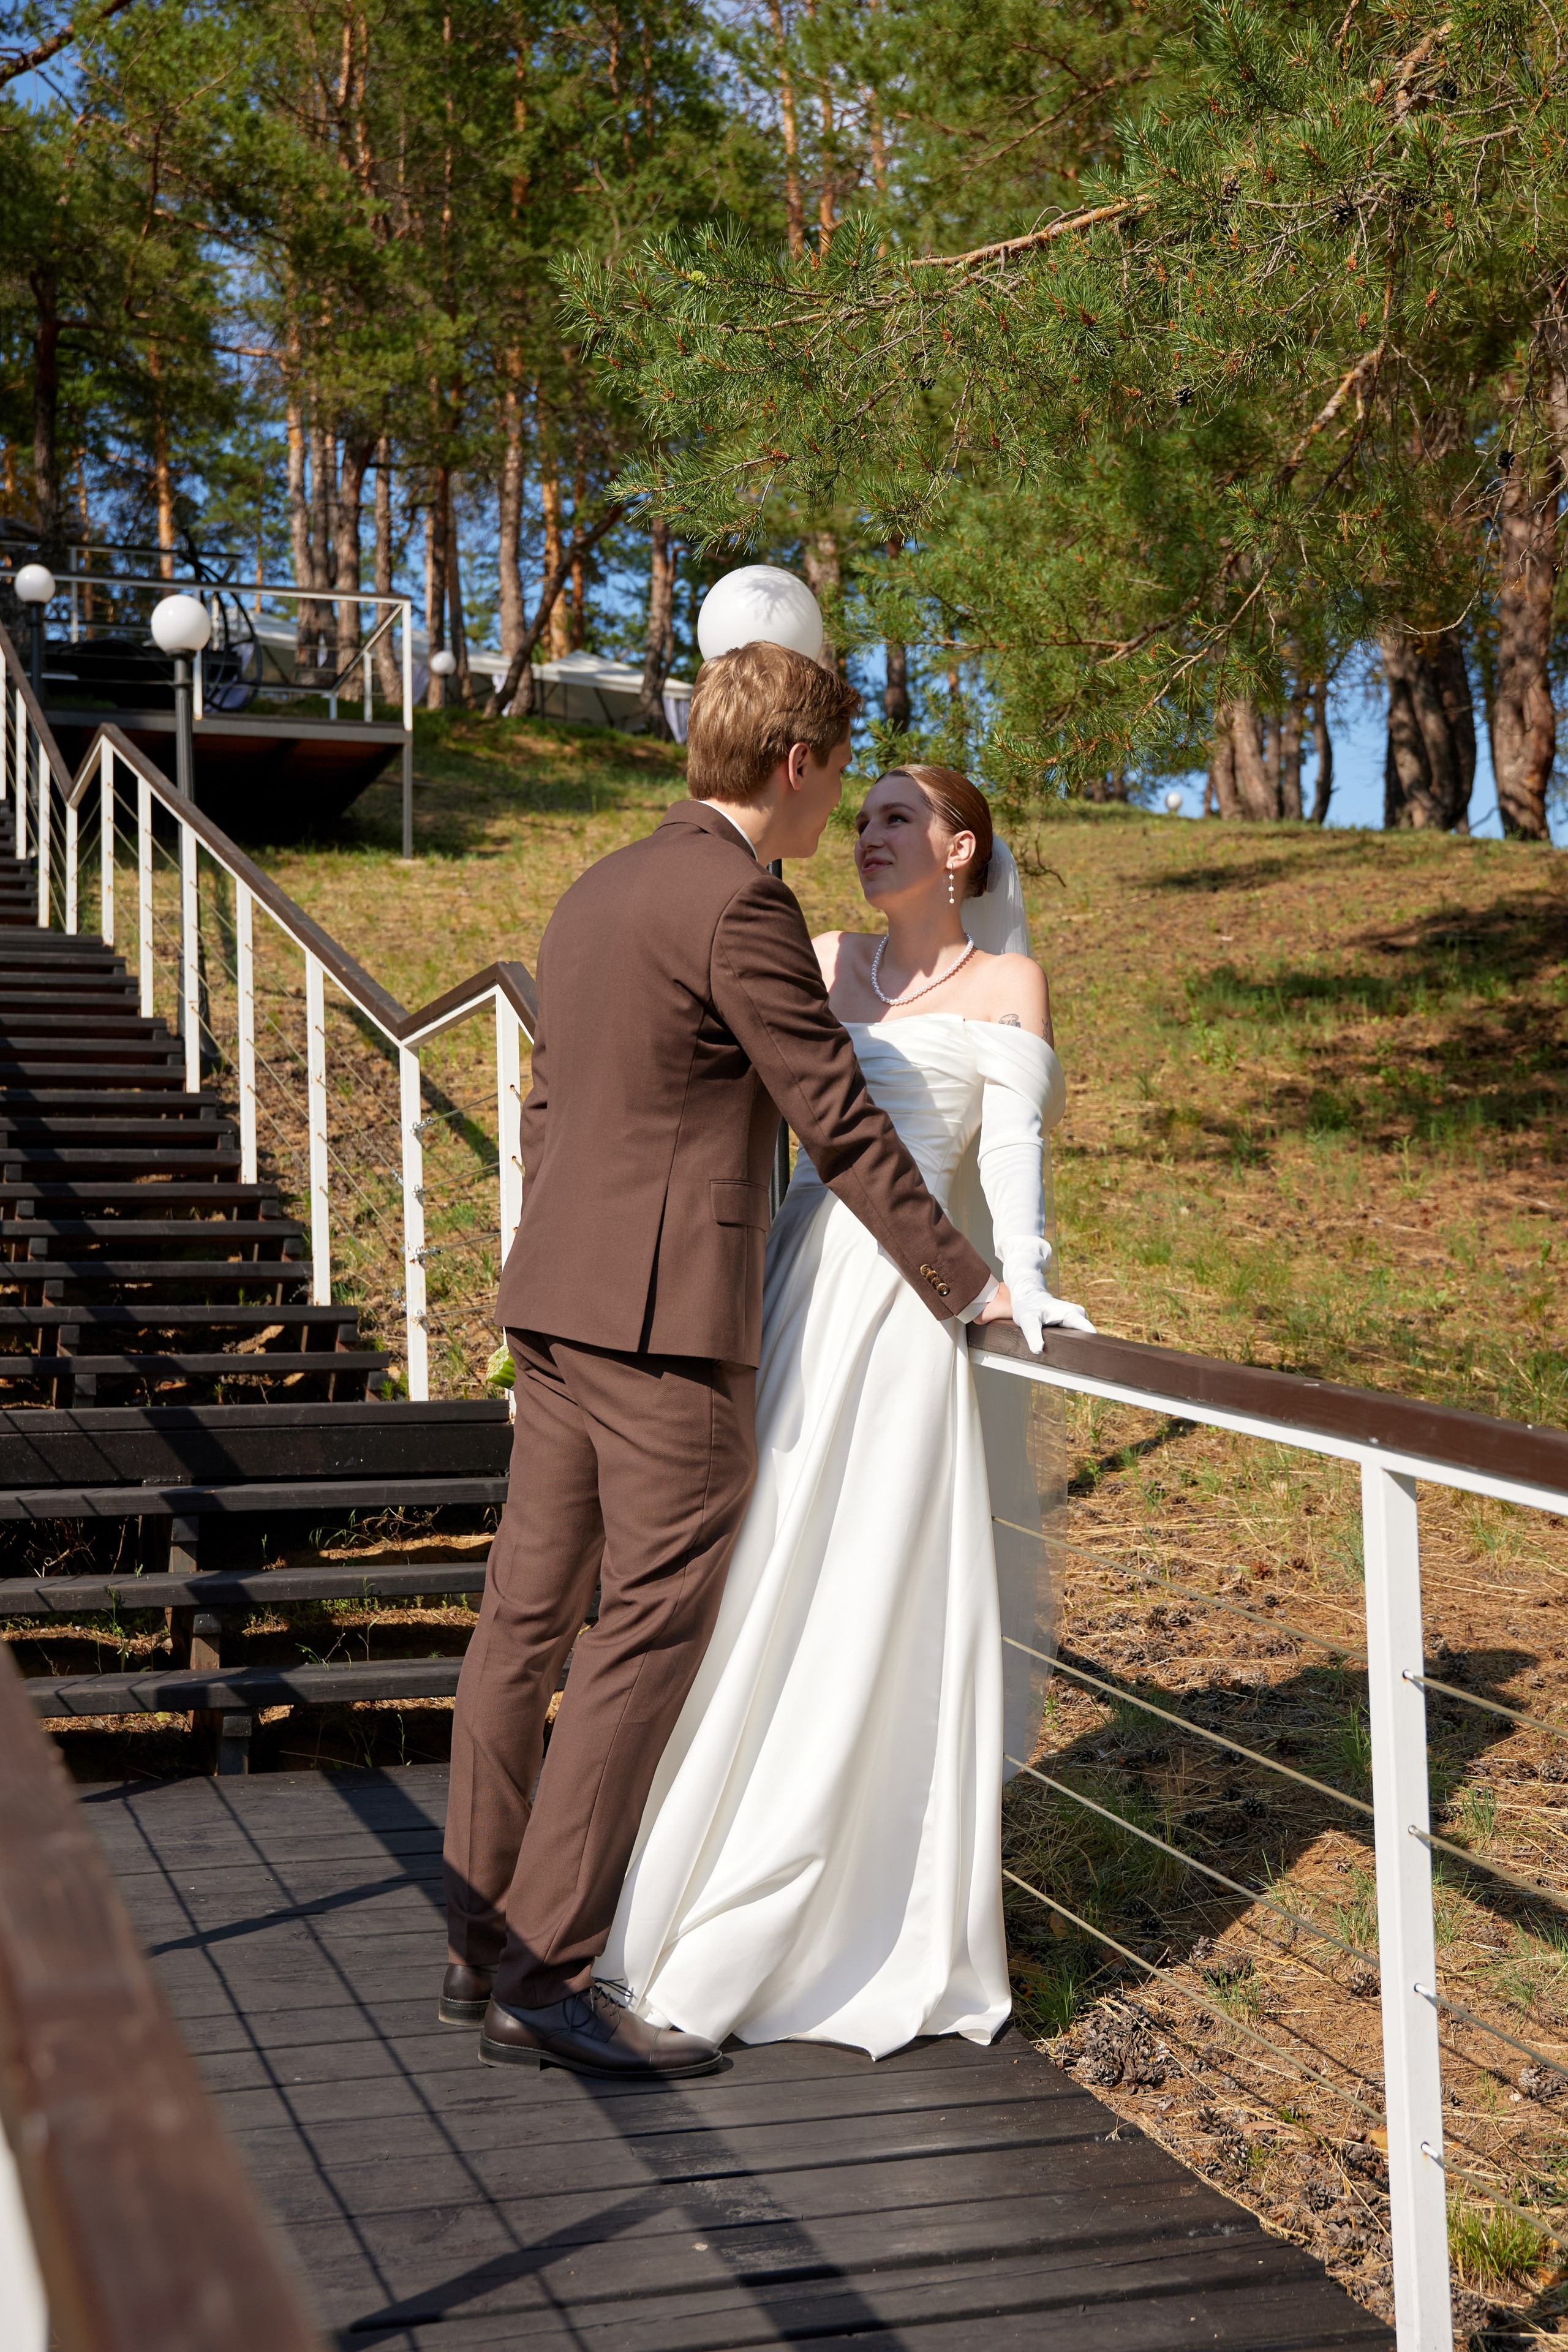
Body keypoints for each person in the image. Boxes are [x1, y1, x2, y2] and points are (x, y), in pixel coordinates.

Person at [441, 650, 1020, 2082]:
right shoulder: (738, 904)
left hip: (557, 1300)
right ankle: (546, 1970)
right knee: (645, 1629)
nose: (837, 810)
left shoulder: (599, 887)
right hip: (660, 1329)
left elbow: (547, 1098)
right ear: (798, 766)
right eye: (837, 776)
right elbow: (833, 1118)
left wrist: (573, 1239)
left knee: (525, 1616)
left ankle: (473, 1938)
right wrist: (964, 1282)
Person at [598, 764, 1093, 2059]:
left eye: (894, 820)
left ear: (958, 849)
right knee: (749, 1580)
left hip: (902, 1320)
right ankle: (675, 1881)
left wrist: (1021, 1282)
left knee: (861, 1587)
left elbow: (1008, 1164)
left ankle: (828, 1916)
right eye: (859, 816)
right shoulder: (816, 957)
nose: (865, 838)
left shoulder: (1006, 990)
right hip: (783, 1290)